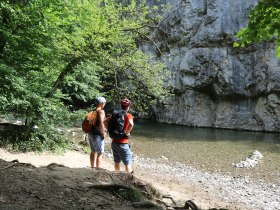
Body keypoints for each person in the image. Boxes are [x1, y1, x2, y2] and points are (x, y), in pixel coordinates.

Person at [108, 98, 134, 173]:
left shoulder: (114, 115)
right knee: (127, 164)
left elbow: (105, 122)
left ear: (120, 105)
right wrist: (126, 133)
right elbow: (131, 124)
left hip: (114, 142)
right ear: (128, 107)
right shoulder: (128, 115)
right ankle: (129, 181)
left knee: (117, 162)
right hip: (123, 143)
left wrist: (109, 130)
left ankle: (117, 178)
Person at [88, 96, 106, 169]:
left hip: (90, 134)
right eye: (104, 103)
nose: (105, 104)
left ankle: (92, 168)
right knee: (100, 153)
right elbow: (101, 123)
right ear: (101, 103)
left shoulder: (93, 111)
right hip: (97, 135)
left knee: (93, 151)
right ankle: (98, 170)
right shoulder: (101, 111)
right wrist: (103, 133)